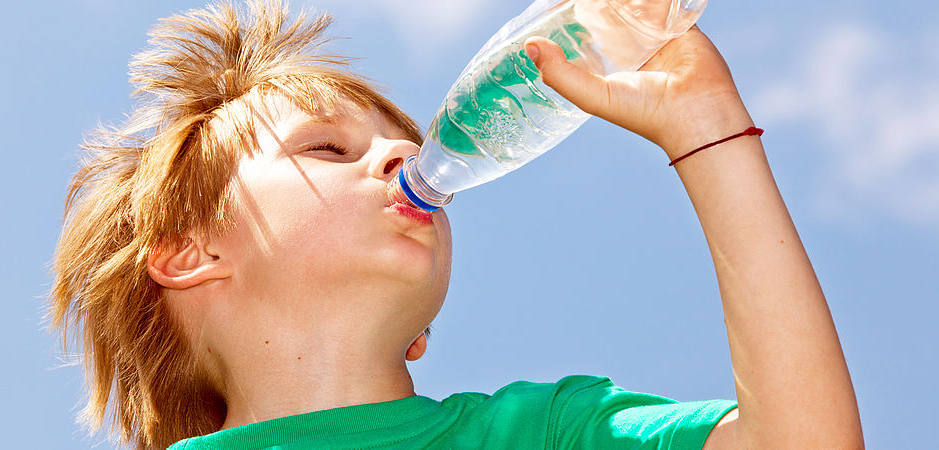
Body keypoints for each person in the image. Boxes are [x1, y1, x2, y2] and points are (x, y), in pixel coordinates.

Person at [48, 0, 864, 448]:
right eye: (328, 147)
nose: (401, 155)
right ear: (191, 255)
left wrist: (709, 132)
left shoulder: (546, 433)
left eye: (403, 142)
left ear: (422, 333)